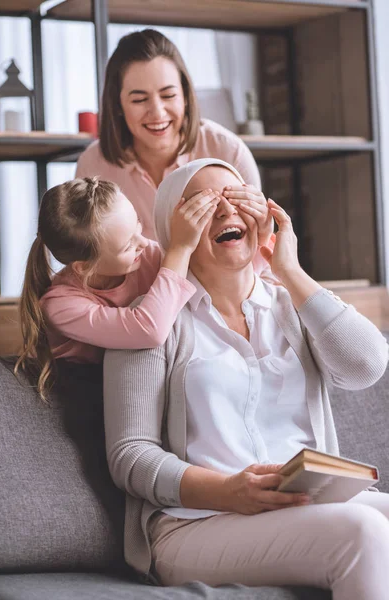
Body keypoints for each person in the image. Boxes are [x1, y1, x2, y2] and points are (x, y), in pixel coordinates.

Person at [103, 158, 389, 598]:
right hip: (195, 524)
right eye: (203, 204)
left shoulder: (288, 303)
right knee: (363, 529)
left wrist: (289, 270)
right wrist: (228, 491)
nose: (226, 211)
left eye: (237, 199)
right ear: (174, 227)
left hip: (307, 504)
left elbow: (366, 366)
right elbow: (130, 456)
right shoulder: (150, 320)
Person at [15, 175, 225, 401]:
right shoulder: (59, 306)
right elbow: (149, 330)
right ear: (84, 267)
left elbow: (215, 283)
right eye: (128, 247)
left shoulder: (148, 256)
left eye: (138, 226)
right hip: (83, 388)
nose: (144, 243)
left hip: (147, 375)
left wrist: (261, 235)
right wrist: (180, 248)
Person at [75, 29, 265, 252]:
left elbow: (255, 248)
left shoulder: (228, 151)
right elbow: (88, 257)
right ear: (117, 106)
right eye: (139, 99)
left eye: (168, 96)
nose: (157, 112)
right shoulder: (93, 165)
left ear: (185, 96)